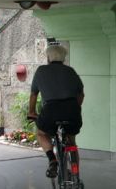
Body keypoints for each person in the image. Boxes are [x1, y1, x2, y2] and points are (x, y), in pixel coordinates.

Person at [27, 43, 84, 177]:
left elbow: (34, 94)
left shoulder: (41, 71)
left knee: (41, 134)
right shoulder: (70, 71)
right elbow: (81, 94)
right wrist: (76, 108)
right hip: (72, 110)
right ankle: (75, 174)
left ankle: (52, 160)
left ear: (48, 57)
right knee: (71, 140)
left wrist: (31, 112)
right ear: (63, 58)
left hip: (51, 110)